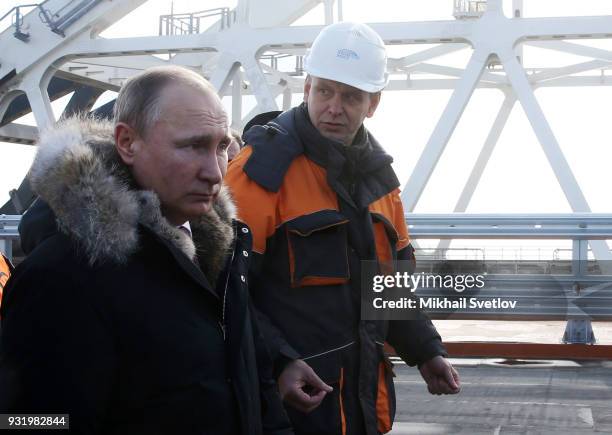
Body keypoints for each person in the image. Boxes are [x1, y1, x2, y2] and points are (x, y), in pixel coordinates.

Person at [0, 66, 291, 435]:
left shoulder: (223, 251)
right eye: (192, 145)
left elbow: (254, 382)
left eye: (220, 147)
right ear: (127, 143)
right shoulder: (60, 277)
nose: (216, 173)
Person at [226, 22, 460, 435]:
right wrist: (278, 361)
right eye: (325, 91)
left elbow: (389, 291)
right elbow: (225, 290)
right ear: (307, 88)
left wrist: (426, 351)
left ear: (373, 103)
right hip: (288, 412)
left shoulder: (382, 182)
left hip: (361, 408)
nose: (334, 107)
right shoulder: (259, 172)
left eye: (351, 96)